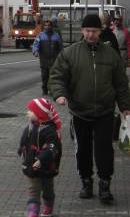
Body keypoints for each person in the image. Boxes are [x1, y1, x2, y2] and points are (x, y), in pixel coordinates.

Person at [49, 13, 130, 204]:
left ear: (100, 31)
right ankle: (86, 182)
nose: (90, 34)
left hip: (105, 112)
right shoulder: (70, 53)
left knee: (104, 150)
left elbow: (121, 83)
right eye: (87, 30)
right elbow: (57, 75)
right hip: (80, 112)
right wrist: (59, 94)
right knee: (82, 150)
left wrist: (125, 107)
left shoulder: (111, 55)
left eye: (93, 31)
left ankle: (104, 184)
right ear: (82, 30)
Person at [18, 97, 62, 217]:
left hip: (47, 167)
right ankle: (33, 212)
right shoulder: (30, 127)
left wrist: (41, 160)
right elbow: (24, 141)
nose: (27, 112)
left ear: (39, 114)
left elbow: (51, 148)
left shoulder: (50, 131)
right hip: (32, 166)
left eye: (31, 111)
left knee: (48, 190)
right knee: (33, 190)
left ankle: (48, 207)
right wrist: (21, 150)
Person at [32, 20, 63, 95]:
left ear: (51, 26)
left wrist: (62, 56)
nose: (47, 27)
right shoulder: (40, 35)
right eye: (46, 25)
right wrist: (35, 51)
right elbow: (36, 44)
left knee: (52, 76)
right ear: (44, 26)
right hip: (44, 59)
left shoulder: (56, 36)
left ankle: (52, 90)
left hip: (54, 59)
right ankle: (44, 89)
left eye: (49, 25)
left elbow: (60, 47)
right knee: (44, 75)